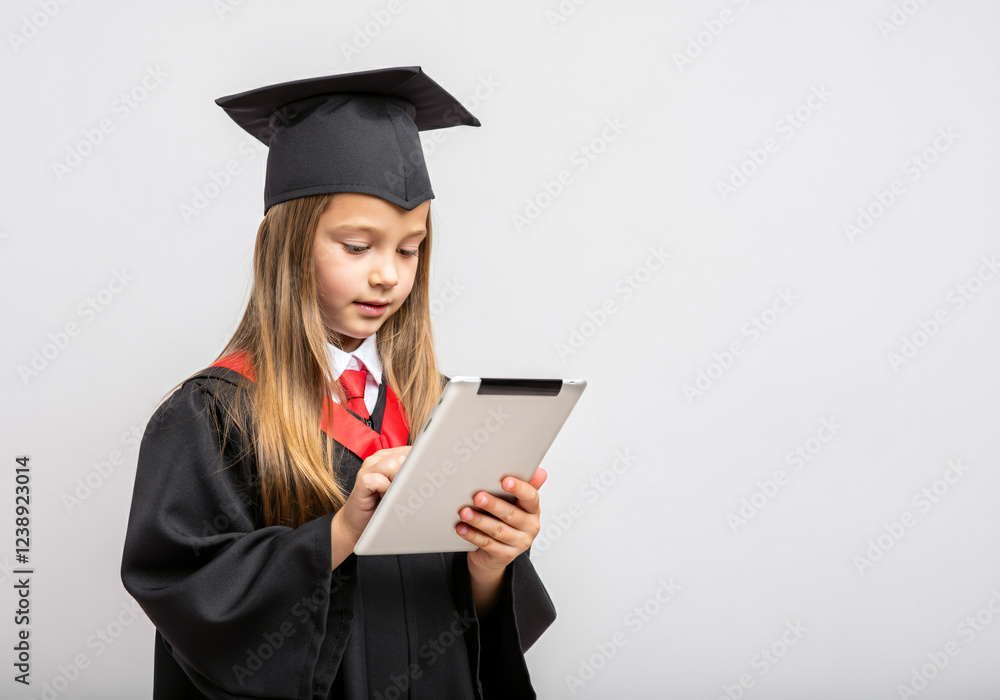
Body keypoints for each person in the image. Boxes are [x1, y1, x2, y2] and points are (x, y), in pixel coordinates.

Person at [120, 66, 556, 700]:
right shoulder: (215, 414)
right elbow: (184, 593)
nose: (387, 275)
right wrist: (337, 534)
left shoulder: (436, 407)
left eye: (409, 249)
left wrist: (494, 564)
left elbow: (478, 629)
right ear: (288, 247)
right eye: (358, 246)